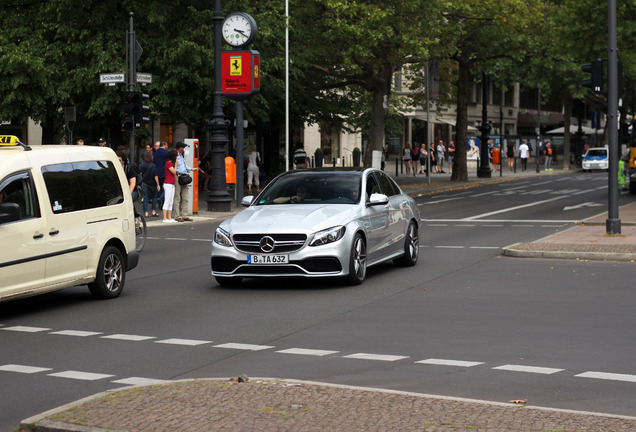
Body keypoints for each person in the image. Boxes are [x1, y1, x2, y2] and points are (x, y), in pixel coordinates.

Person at [173, 142, 193, 222]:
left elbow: (183, 165)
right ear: (179, 148)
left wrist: (191, 169)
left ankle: (185, 215)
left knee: (185, 196)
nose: (183, 149)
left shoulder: (181, 155)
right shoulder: (175, 155)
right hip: (178, 175)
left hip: (184, 175)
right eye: (183, 147)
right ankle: (177, 215)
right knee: (177, 196)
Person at [141, 152, 161, 217]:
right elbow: (155, 175)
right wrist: (158, 184)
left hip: (144, 182)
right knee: (154, 197)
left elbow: (141, 172)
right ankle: (153, 211)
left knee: (145, 197)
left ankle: (146, 212)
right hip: (152, 183)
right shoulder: (153, 165)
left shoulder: (142, 164)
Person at [162, 150, 178, 223]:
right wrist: (176, 164)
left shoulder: (170, 163)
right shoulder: (168, 163)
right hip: (168, 183)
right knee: (167, 200)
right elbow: (174, 172)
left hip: (171, 183)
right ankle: (165, 218)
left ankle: (169, 217)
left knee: (171, 200)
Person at [153, 141, 169, 206]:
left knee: (158, 186)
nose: (167, 146)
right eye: (167, 145)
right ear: (164, 145)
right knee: (165, 187)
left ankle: (158, 199)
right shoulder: (167, 153)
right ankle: (161, 199)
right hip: (164, 172)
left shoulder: (154, 153)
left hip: (156, 172)